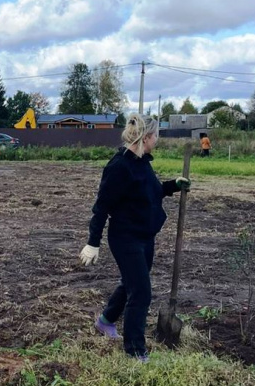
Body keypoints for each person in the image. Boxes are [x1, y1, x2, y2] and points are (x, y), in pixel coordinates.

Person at [78, 113, 190, 362]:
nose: (157, 140)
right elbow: (102, 206)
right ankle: (135, 351)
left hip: (144, 236)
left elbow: (150, 193)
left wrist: (172, 185)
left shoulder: (142, 163)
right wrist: (92, 242)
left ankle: (106, 321)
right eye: (156, 136)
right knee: (141, 293)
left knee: (133, 284)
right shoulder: (119, 166)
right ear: (147, 137)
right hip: (125, 239)